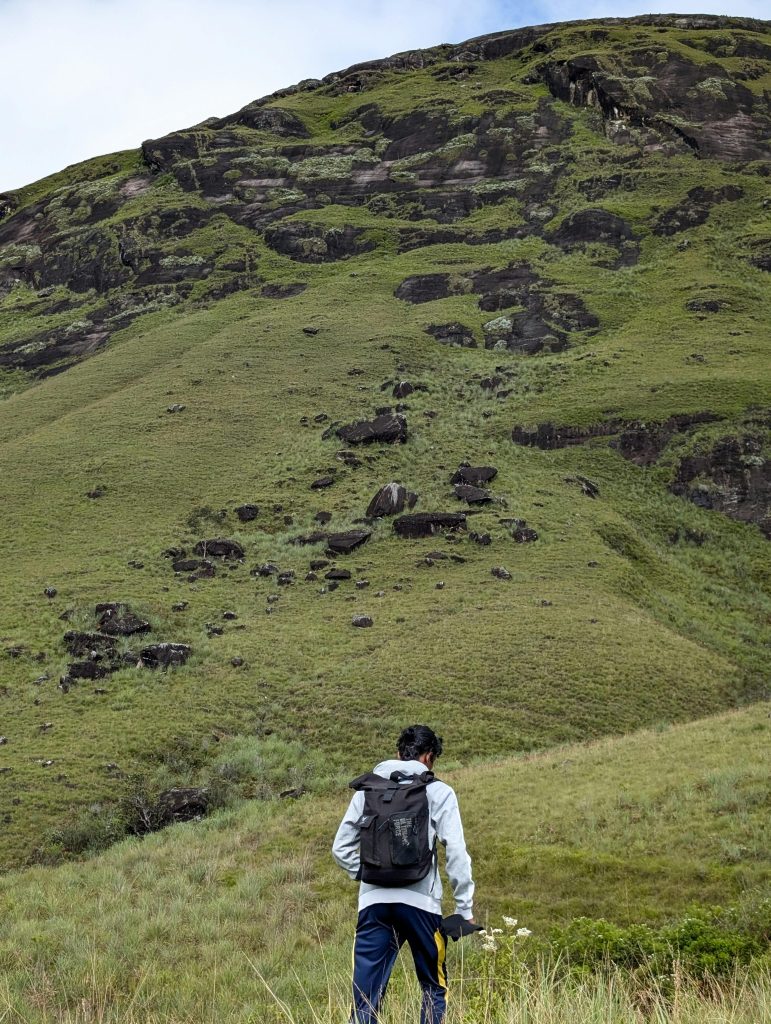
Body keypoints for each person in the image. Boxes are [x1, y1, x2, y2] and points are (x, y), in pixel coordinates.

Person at [332, 724, 475, 1024]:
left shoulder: (367, 790)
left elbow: (340, 847)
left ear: (398, 753)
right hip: (422, 906)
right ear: (429, 757)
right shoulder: (439, 791)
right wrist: (464, 909)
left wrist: (368, 874)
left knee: (365, 999)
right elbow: (457, 853)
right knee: (433, 989)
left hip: (373, 905)